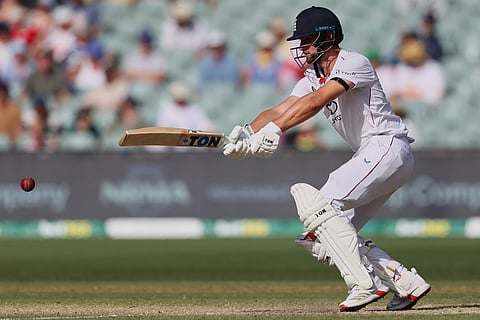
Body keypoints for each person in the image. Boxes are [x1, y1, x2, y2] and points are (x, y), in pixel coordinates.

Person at [222, 6, 431, 312]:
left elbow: (317, 100)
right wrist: (245, 132)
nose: (301, 48)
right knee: (318, 238)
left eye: (306, 40)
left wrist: (275, 131)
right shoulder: (311, 76)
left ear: (327, 37)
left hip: (386, 147)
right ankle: (403, 281)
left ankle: (364, 284)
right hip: (375, 156)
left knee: (321, 205)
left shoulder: (353, 62)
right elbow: (280, 109)